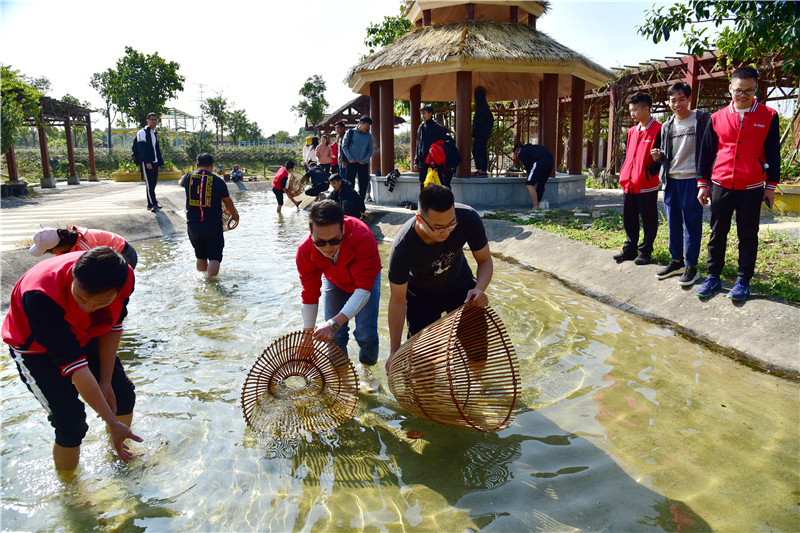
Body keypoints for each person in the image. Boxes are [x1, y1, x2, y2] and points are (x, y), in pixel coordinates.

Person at [2, 247, 143, 471]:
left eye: (99, 303)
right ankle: (72, 492)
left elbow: (113, 326)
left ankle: (118, 456)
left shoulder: (124, 278)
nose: (87, 307)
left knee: (122, 394)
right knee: (71, 423)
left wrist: (106, 382)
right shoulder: (40, 295)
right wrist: (111, 421)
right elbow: (76, 368)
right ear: (74, 275)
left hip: (87, 332)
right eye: (81, 298)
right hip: (36, 349)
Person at [696, 66, 780, 301]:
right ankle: (713, 276)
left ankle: (743, 280)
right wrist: (703, 184)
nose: (743, 95)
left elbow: (774, 153)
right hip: (721, 184)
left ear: (756, 90)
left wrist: (771, 186)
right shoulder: (716, 118)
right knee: (717, 232)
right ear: (730, 89)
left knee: (748, 234)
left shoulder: (769, 116)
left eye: (749, 91)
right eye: (738, 90)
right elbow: (706, 153)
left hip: (752, 187)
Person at [386, 184, 494, 366]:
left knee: (477, 347)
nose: (446, 231)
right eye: (438, 227)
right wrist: (394, 350)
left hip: (461, 287)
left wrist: (479, 289)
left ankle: (478, 384)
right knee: (423, 362)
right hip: (421, 295)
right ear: (419, 219)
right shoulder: (403, 247)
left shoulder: (467, 217)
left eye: (451, 224)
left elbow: (485, 261)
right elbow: (397, 300)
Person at [296, 200, 382, 392]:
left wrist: (334, 322)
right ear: (310, 232)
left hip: (365, 282)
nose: (328, 247)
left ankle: (367, 371)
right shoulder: (304, 250)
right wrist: (307, 335)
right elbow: (309, 293)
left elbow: (363, 290)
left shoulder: (362, 236)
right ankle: (342, 377)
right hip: (334, 280)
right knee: (334, 336)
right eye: (320, 242)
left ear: (344, 229)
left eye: (335, 240)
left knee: (366, 333)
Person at [650, 81, 711, 287]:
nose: (677, 104)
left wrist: (706, 181)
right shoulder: (667, 125)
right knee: (673, 223)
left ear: (689, 99)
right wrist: (659, 157)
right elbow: (668, 155)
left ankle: (691, 266)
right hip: (672, 180)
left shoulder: (702, 120)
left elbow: (711, 149)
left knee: (691, 224)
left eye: (681, 99)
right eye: (673, 100)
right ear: (668, 102)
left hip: (693, 180)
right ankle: (676, 261)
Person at [613, 92, 662, 266]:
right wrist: (623, 170)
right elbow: (627, 154)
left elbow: (662, 157)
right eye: (630, 110)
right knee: (629, 217)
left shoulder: (659, 129)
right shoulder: (631, 131)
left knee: (649, 219)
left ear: (646, 108)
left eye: (635, 110)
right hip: (629, 183)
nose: (632, 113)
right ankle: (630, 249)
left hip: (646, 183)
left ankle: (646, 250)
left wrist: (650, 172)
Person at [178, 152, 240, 278]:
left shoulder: (188, 177)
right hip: (212, 224)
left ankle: (202, 280)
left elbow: (180, 183)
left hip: (193, 225)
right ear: (211, 166)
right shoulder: (218, 181)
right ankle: (211, 283)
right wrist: (235, 215)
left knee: (200, 255)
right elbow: (227, 202)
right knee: (214, 257)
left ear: (197, 166)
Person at [29, 226, 138, 268]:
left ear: (56, 249)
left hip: (124, 254)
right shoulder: (65, 242)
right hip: (106, 255)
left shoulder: (85, 246)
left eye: (46, 252)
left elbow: (95, 268)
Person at [414, 105, 448, 190]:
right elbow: (418, 144)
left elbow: (443, 145)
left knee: (437, 183)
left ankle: (437, 202)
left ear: (430, 113)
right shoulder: (421, 127)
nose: (423, 116)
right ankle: (423, 202)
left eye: (425, 113)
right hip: (423, 160)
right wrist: (416, 161)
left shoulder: (439, 128)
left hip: (435, 160)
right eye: (421, 114)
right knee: (422, 183)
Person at [135, 112, 163, 212]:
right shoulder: (142, 132)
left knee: (153, 183)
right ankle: (154, 204)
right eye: (152, 119)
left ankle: (150, 204)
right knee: (150, 184)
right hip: (148, 162)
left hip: (155, 162)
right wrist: (147, 162)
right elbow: (142, 148)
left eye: (155, 120)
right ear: (147, 120)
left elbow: (156, 149)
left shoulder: (153, 133)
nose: (154, 121)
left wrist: (159, 163)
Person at [513, 143, 554, 211]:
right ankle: (537, 205)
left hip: (540, 161)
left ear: (519, 149)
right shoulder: (532, 148)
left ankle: (535, 207)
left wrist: (532, 181)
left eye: (516, 153)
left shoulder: (522, 152)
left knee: (529, 184)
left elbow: (528, 168)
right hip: (550, 160)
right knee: (541, 184)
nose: (517, 156)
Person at [342, 116, 374, 201]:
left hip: (363, 163)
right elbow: (344, 146)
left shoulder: (368, 136)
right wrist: (349, 157)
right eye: (367, 125)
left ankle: (361, 203)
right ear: (361, 123)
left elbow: (370, 149)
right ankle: (350, 202)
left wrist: (365, 159)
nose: (368, 128)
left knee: (363, 185)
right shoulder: (350, 132)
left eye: (369, 126)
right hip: (351, 162)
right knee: (349, 184)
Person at [471, 87, 493, 177]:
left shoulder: (481, 109)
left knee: (476, 150)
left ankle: (480, 170)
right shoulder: (486, 109)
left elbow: (478, 123)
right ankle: (483, 170)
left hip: (480, 133)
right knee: (482, 151)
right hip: (485, 133)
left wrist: (474, 132)